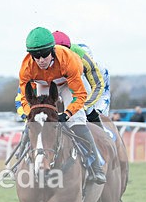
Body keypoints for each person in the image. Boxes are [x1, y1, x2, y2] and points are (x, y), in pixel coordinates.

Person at [18, 27, 106, 184]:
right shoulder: (26, 68)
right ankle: (20, 156)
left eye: (44, 55)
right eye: (36, 56)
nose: (40, 60)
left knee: (77, 120)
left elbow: (80, 95)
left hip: (67, 83)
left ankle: (95, 165)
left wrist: (67, 114)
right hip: (43, 83)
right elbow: (25, 98)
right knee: (35, 121)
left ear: (52, 50)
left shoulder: (69, 60)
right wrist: (29, 113)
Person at [52, 31, 111, 125]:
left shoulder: (86, 61)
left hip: (86, 84)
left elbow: (99, 88)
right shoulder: (43, 59)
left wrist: (85, 106)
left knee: (87, 110)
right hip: (61, 81)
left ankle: (103, 135)